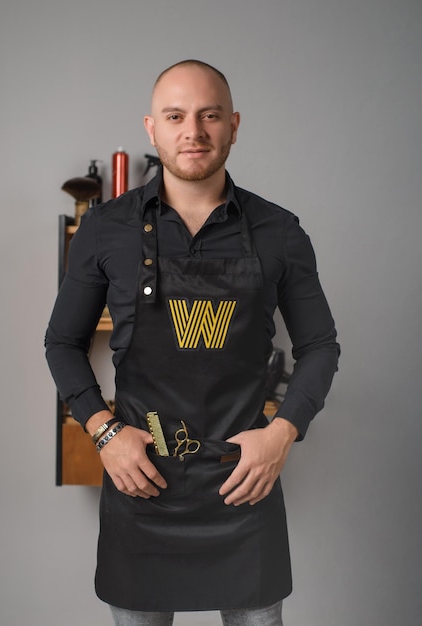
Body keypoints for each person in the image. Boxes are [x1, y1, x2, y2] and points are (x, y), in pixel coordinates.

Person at [45, 59, 339, 625]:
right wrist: (104, 433)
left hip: (242, 489)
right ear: (152, 128)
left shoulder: (280, 231)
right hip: (142, 486)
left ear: (233, 123)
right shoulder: (106, 228)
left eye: (209, 115)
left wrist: (282, 434)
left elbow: (321, 345)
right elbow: (62, 342)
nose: (194, 131)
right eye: (176, 116)